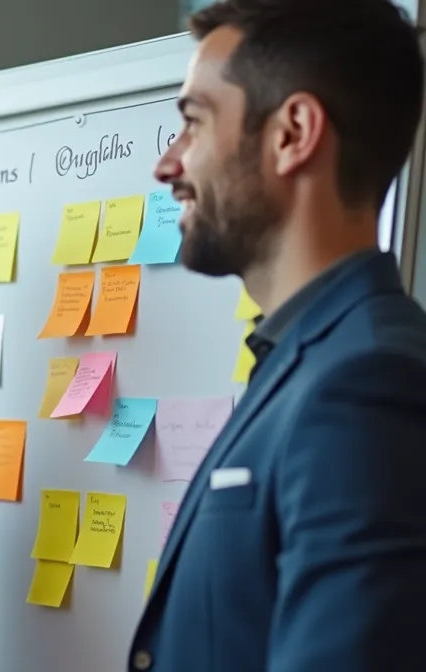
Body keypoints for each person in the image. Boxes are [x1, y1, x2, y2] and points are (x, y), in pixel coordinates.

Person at [133, 1, 426, 670]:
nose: (167, 165)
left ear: (293, 133)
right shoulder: (303, 360)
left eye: (192, 123)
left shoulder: (368, 384)